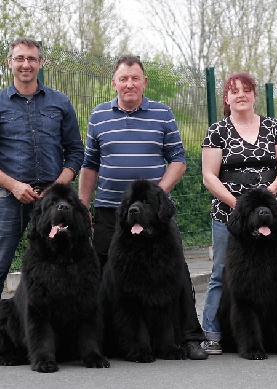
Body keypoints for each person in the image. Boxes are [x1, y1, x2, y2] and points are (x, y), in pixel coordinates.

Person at [77, 55, 207, 360]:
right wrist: (84, 206)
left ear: (144, 82)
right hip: (111, 212)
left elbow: (178, 159)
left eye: (135, 78)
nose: (129, 84)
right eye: (123, 79)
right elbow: (89, 165)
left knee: (177, 272)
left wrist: (155, 198)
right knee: (102, 277)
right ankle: (94, 343)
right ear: (114, 83)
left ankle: (189, 337)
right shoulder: (98, 116)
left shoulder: (162, 114)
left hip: (156, 215)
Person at [0, 38, 84, 366]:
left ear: (41, 63)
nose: (26, 65)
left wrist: (57, 189)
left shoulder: (60, 103)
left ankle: (67, 340)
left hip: (52, 204)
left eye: (32, 59)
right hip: (10, 199)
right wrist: (13, 184)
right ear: (10, 63)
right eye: (19, 59)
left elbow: (76, 151)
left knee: (68, 268)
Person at [200, 72, 277, 355]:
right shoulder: (217, 131)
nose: (240, 94)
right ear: (227, 99)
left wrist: (270, 193)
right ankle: (213, 333)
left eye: (246, 90)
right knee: (221, 273)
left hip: (270, 210)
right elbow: (209, 175)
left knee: (275, 275)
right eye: (234, 91)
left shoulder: (274, 127)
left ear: (255, 95)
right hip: (230, 213)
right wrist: (238, 204)